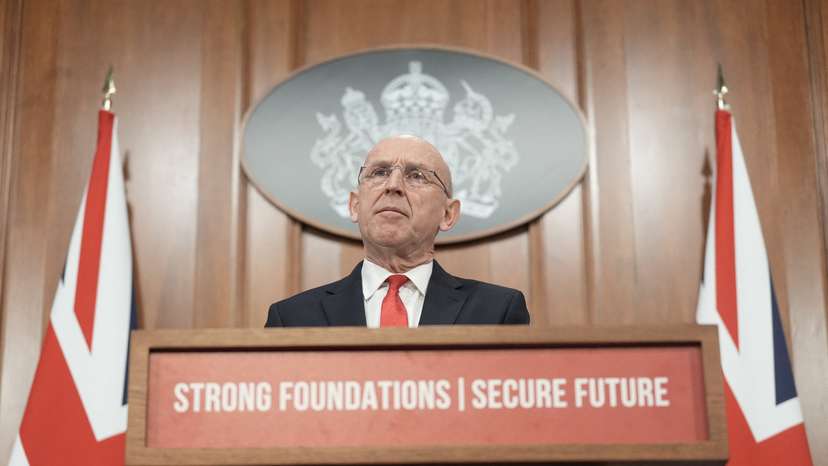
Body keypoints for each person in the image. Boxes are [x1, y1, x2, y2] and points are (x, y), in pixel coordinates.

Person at [265, 135, 530, 327]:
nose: (393, 185)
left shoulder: (497, 312)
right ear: (355, 205)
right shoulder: (291, 319)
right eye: (379, 172)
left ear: (448, 214)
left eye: (417, 176)